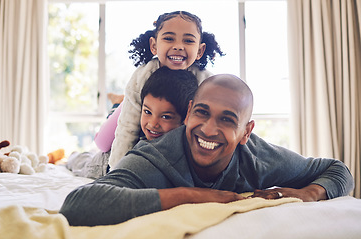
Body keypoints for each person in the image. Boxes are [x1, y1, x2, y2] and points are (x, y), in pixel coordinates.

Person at [60, 74, 354, 226]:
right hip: (101, 161)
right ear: (188, 114)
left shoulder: (259, 157)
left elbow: (338, 169)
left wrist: (308, 193)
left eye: (227, 119)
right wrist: (190, 196)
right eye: (202, 113)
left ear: (245, 132)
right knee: (84, 162)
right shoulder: (156, 156)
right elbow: (78, 203)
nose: (209, 129)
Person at [108, 11, 224, 168]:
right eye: (169, 39)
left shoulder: (206, 82)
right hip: (142, 122)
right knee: (103, 143)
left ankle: (118, 103)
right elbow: (127, 129)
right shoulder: (141, 78)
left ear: (199, 51)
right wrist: (117, 170)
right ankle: (117, 104)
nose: (178, 46)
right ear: (154, 46)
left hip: (171, 133)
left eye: (188, 41)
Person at [66, 66, 198, 178]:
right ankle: (72, 155)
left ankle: (117, 104)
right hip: (107, 162)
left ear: (185, 118)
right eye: (147, 112)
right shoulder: (145, 148)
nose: (153, 124)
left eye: (165, 117)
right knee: (82, 162)